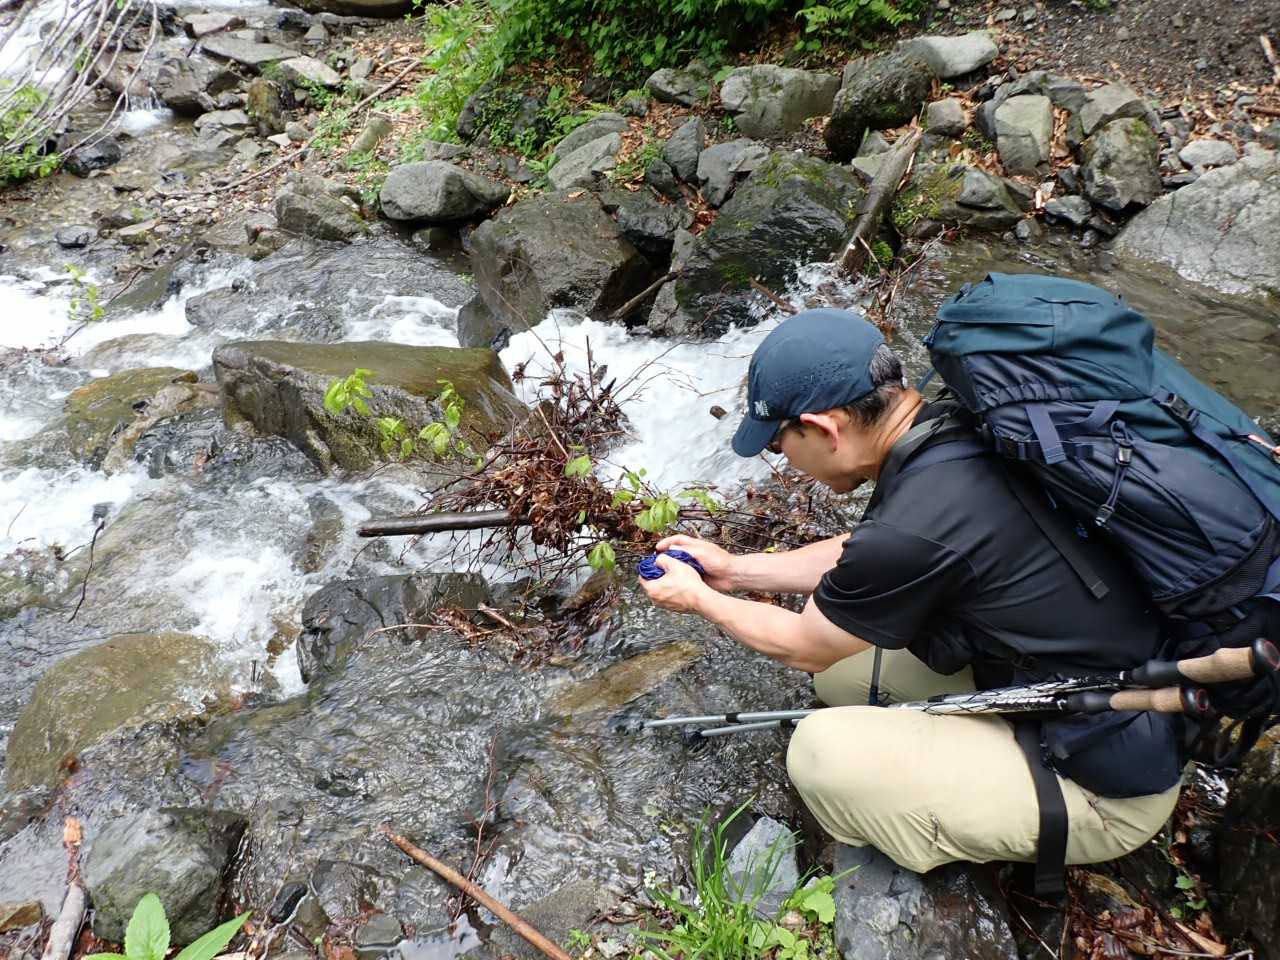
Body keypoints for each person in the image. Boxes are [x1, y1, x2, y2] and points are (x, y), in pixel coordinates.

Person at [639, 307, 1184, 883]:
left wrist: (699, 599)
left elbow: (804, 644)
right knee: (844, 678)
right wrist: (735, 571)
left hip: (1106, 780)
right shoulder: (954, 428)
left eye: (779, 444)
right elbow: (870, 552)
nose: (786, 462)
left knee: (821, 752)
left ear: (825, 428)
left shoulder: (915, 521)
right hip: (1097, 685)